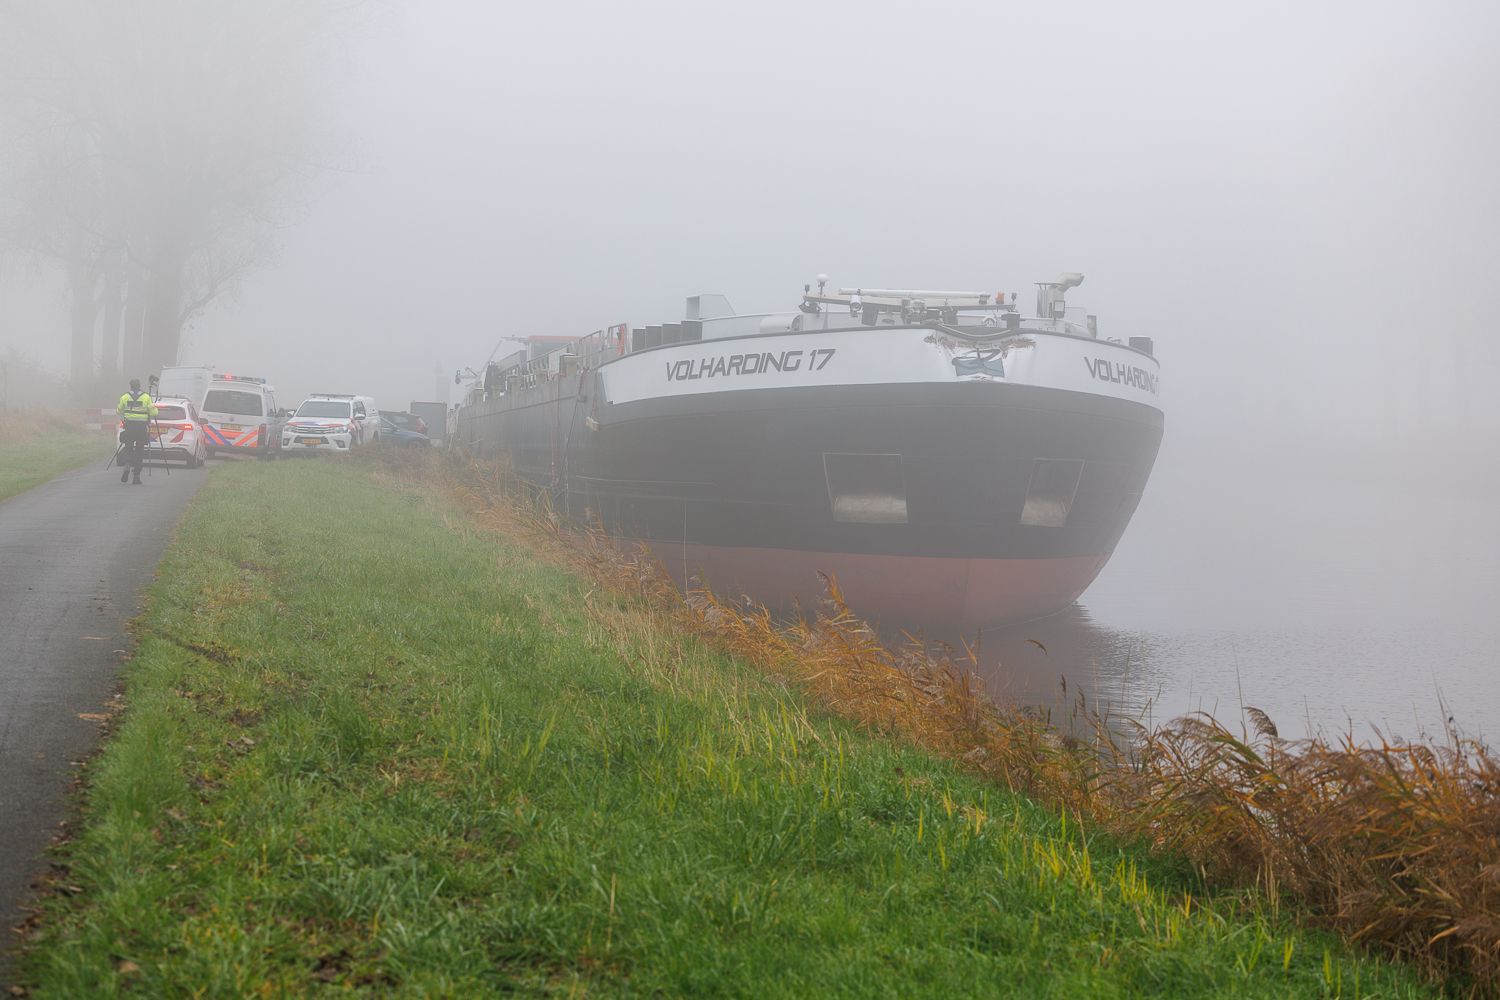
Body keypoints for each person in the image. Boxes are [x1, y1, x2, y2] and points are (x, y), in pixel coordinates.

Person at [115, 378, 158, 485]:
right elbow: (153, 413)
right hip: (141, 428)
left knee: (128, 448)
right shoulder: (146, 397)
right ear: (139, 386)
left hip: (129, 427)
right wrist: (153, 408)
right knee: (139, 451)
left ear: (130, 386)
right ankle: (136, 476)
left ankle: (127, 465)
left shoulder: (124, 397)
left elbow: (119, 410)